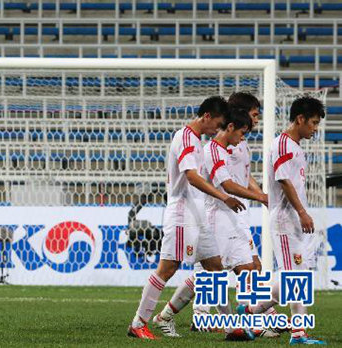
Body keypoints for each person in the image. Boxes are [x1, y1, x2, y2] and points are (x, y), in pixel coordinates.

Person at [127, 96, 252, 341]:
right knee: (168, 267)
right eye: (217, 122)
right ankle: (138, 323)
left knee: (215, 268)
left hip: (198, 213)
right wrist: (223, 197)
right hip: (183, 212)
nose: (218, 128)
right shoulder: (184, 137)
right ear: (207, 116)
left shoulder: (195, 140)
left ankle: (230, 327)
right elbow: (192, 177)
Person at [149, 107, 269, 338]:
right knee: (212, 275)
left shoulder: (229, 148)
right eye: (245, 128)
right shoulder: (212, 150)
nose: (245, 135)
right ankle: (167, 314)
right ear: (231, 126)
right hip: (216, 217)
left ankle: (250, 320)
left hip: (233, 215)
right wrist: (262, 196)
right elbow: (226, 185)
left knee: (248, 269)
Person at [237, 96, 327, 345]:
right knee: (293, 277)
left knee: (296, 276)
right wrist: (302, 212)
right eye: (313, 123)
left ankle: (250, 312)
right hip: (286, 220)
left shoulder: (295, 146)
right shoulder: (282, 144)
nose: (315, 128)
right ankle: (298, 334)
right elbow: (284, 181)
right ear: (300, 119)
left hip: (294, 220)